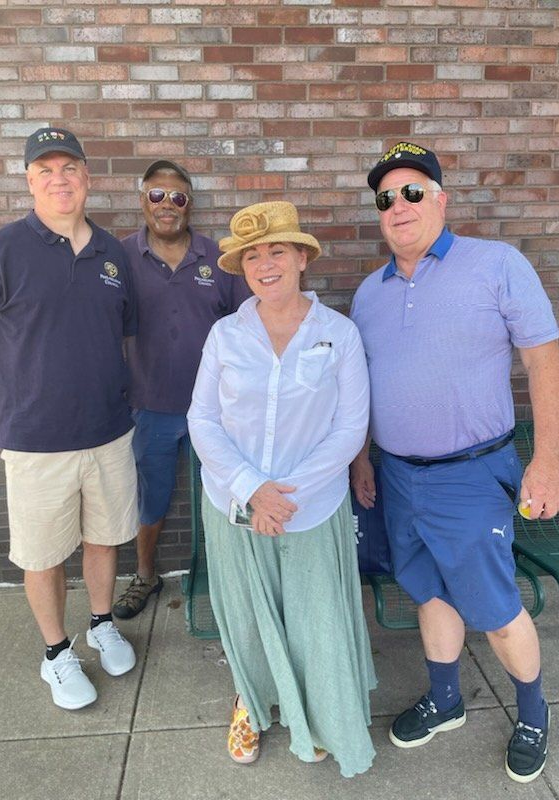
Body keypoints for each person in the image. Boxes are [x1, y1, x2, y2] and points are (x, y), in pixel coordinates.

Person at [350, 141, 559, 783]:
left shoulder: (496, 264)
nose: (399, 206)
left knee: (495, 607)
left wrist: (548, 460)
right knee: (427, 591)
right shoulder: (369, 293)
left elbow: (544, 359)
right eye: (386, 198)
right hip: (396, 475)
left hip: (472, 473)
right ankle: (447, 699)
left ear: (442, 199)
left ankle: (532, 711)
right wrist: (363, 462)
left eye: (413, 191)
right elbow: (362, 387)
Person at [187, 201, 377, 777]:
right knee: (246, 617)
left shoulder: (337, 334)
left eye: (276, 251)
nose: (264, 264)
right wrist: (251, 489)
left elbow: (350, 427)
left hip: (311, 508)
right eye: (252, 255)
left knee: (313, 619)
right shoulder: (225, 335)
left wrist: (282, 495)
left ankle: (316, 712)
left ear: (301, 259)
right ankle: (249, 699)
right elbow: (202, 421)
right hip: (233, 506)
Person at [0, 127, 139, 710]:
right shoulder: (2, 251)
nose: (58, 179)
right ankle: (56, 654)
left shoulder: (113, 253)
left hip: (109, 430)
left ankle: (100, 622)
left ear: (87, 177)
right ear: (30, 182)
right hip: (37, 438)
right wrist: (28, 370)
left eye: (69, 167)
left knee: (104, 538)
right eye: (45, 170)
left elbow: (120, 333)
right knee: (42, 555)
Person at [112, 160, 250, 619]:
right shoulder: (119, 258)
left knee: (226, 492)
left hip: (215, 409)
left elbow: (246, 325)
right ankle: (146, 575)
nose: (166, 205)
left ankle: (234, 575)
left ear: (189, 205)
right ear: (142, 200)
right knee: (151, 496)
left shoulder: (218, 257)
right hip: (149, 406)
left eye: (177, 197)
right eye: (156, 195)